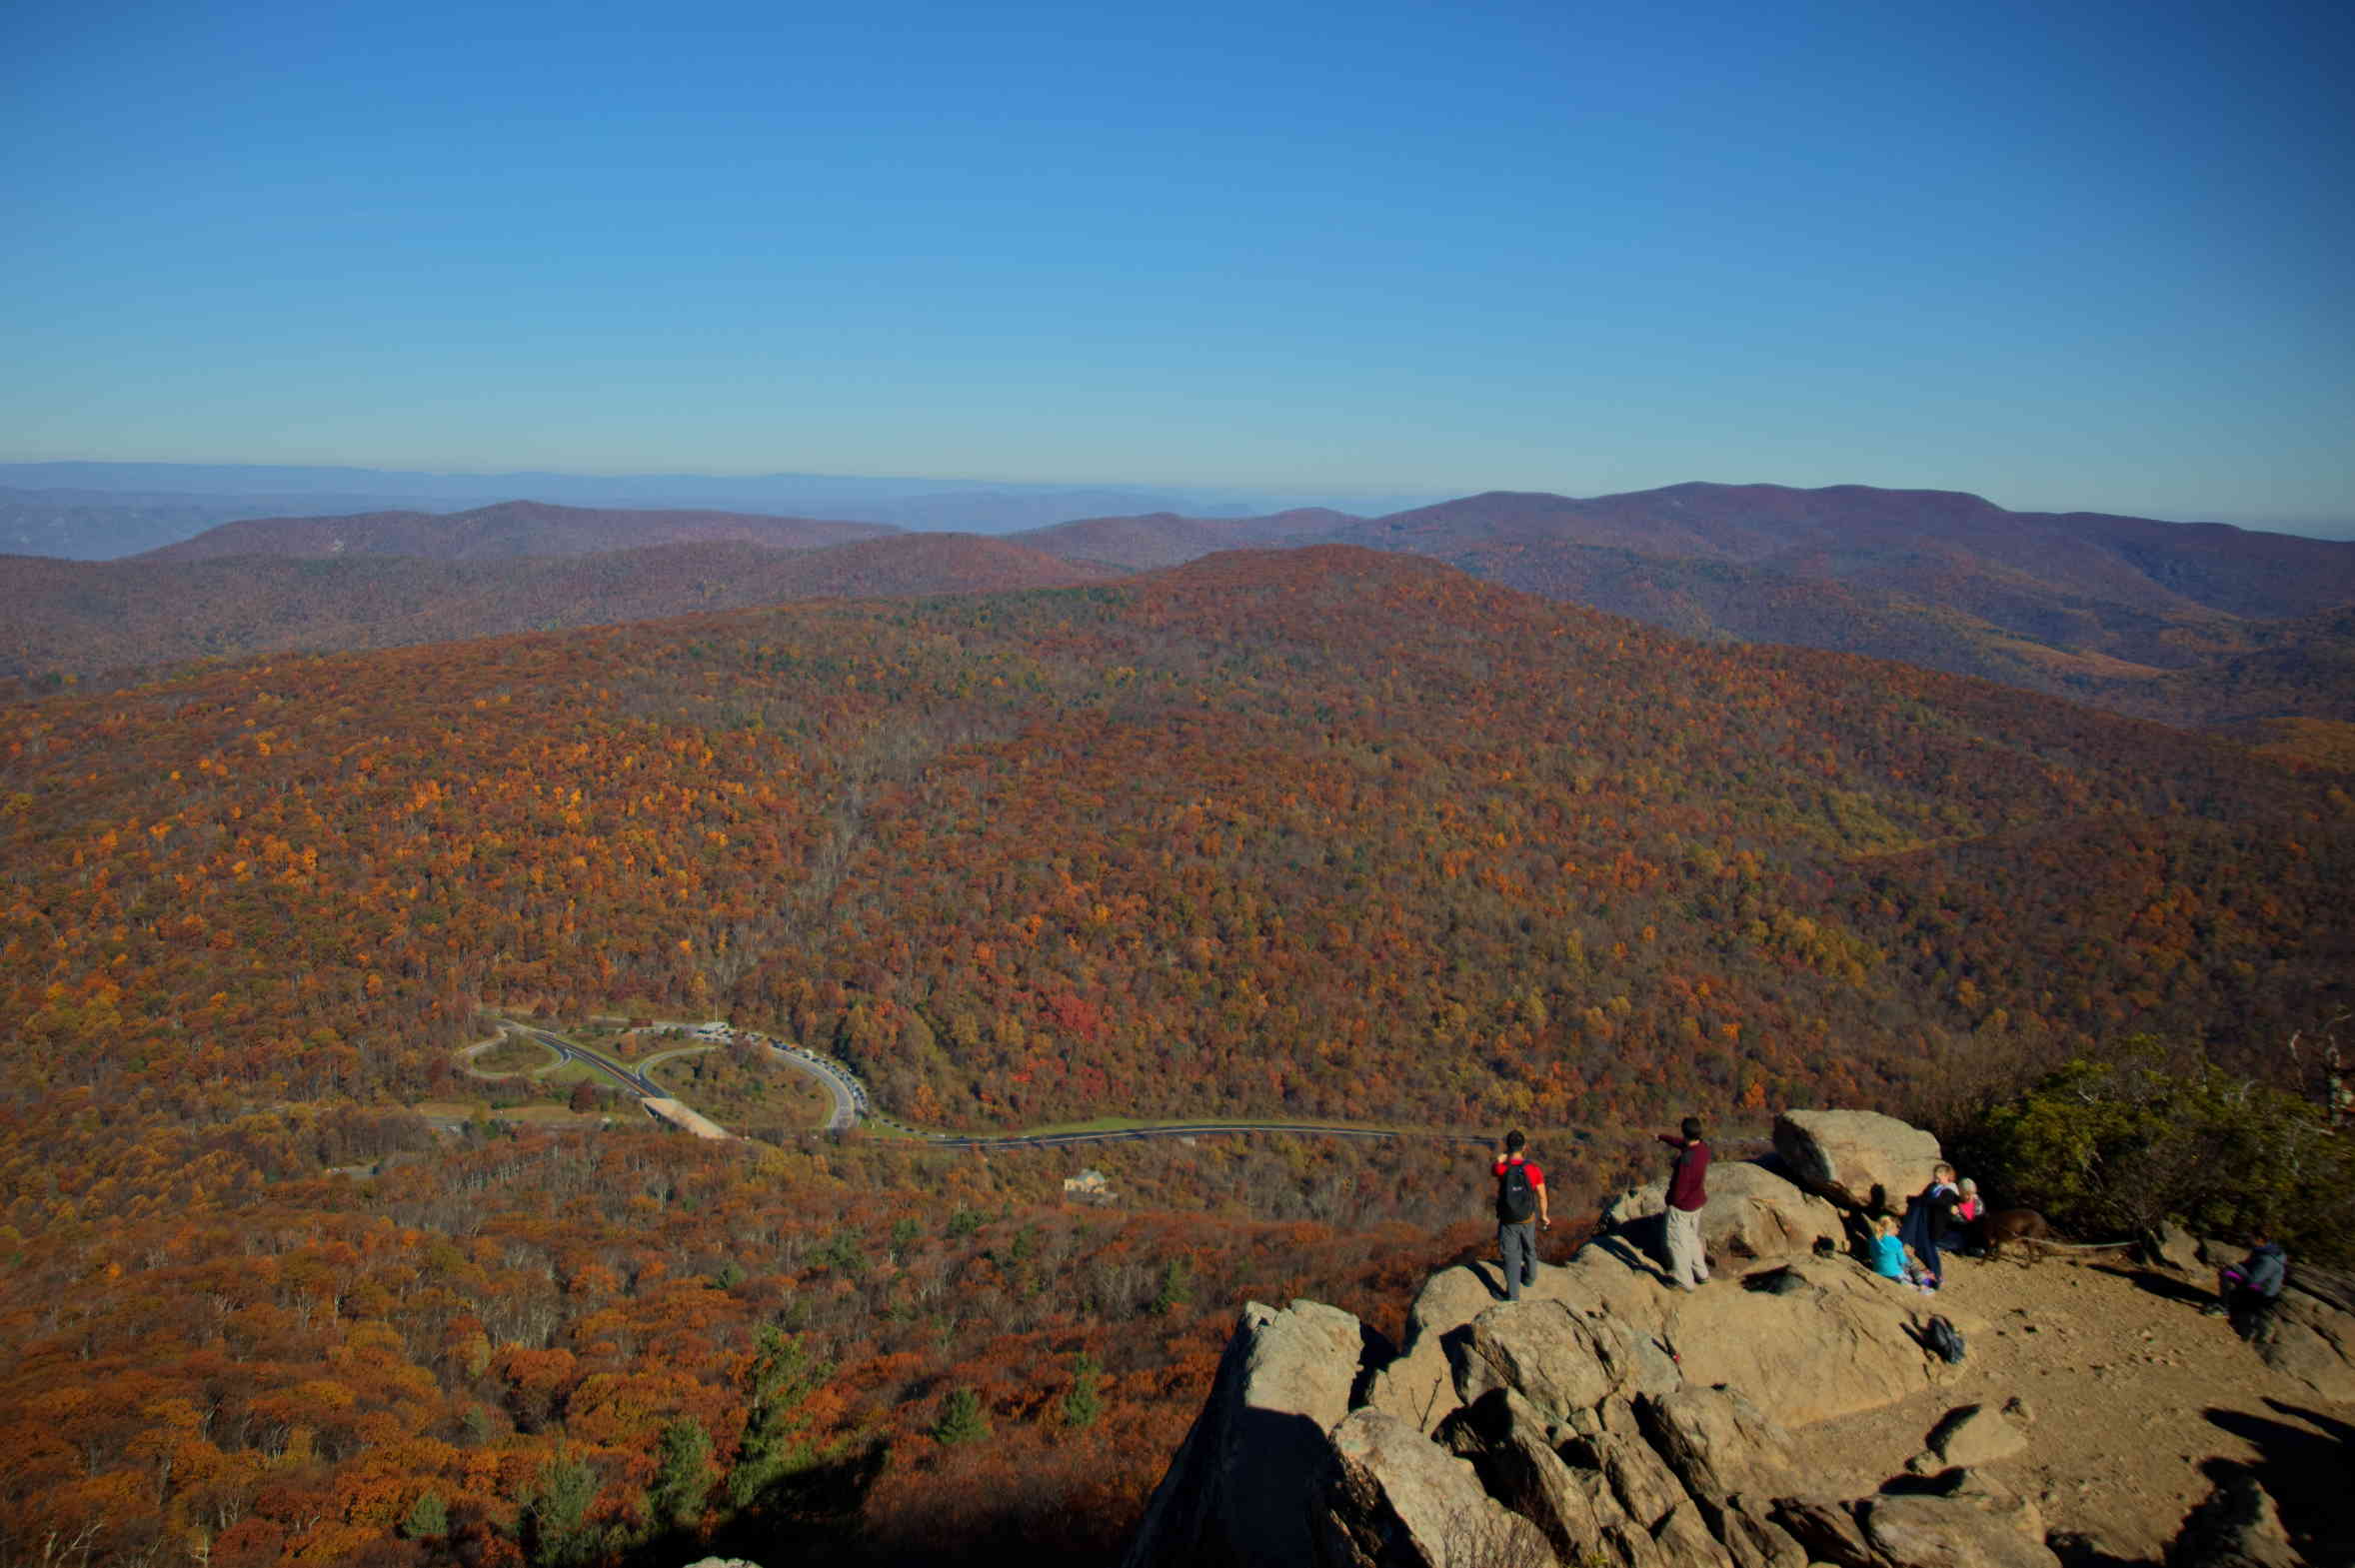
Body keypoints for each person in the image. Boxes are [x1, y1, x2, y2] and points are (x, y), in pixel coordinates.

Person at [1490, 1130, 1550, 1300]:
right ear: (1525, 1147)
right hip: (1528, 1217)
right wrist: (1544, 1215)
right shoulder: (1532, 1169)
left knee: (1511, 1256)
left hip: (1508, 1219)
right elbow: (1542, 1195)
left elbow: (1493, 1169)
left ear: (1507, 1147)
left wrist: (1499, 1159)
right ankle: (1530, 1278)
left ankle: (1513, 1296)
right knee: (1529, 1248)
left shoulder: (1501, 1169)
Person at [1657, 1117, 1710, 1290]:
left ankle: (1684, 1281)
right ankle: (1702, 1274)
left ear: (1684, 1132)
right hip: (1697, 1203)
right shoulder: (1703, 1148)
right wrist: (1663, 1137)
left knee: (1676, 1242)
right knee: (1691, 1238)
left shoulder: (1686, 1162)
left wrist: (1670, 1202)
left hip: (1682, 1208)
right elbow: (1684, 1144)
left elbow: (1679, 1189)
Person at [2211, 1234, 2289, 1345]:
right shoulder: (2263, 1251)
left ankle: (2225, 1309)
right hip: (2257, 1287)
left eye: (2252, 1237)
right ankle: (2231, 1304)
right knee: (2228, 1272)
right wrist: (2237, 1266)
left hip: (2262, 1293)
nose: (2249, 1239)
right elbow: (2248, 1266)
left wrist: (2235, 1266)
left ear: (2261, 1240)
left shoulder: (2268, 1259)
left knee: (2227, 1273)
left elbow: (2253, 1280)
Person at [1899, 1163, 1962, 1290]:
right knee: (1921, 1248)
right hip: (1924, 1221)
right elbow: (1925, 1197)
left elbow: (1940, 1203)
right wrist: (1914, 1199)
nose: (1936, 1180)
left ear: (1946, 1176)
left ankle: (1937, 1276)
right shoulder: (1934, 1186)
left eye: (1939, 1178)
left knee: (1929, 1250)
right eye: (1935, 1178)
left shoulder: (1950, 1191)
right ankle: (1930, 1274)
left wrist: (1924, 1201)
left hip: (1934, 1225)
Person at [1869, 1213, 1909, 1283]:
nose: (1899, 1230)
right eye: (1897, 1227)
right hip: (1895, 1275)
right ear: (1891, 1228)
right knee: (1910, 1264)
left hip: (1878, 1271)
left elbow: (1872, 1255)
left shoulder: (1872, 1240)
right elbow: (1903, 1261)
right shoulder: (1896, 1242)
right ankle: (1927, 1282)